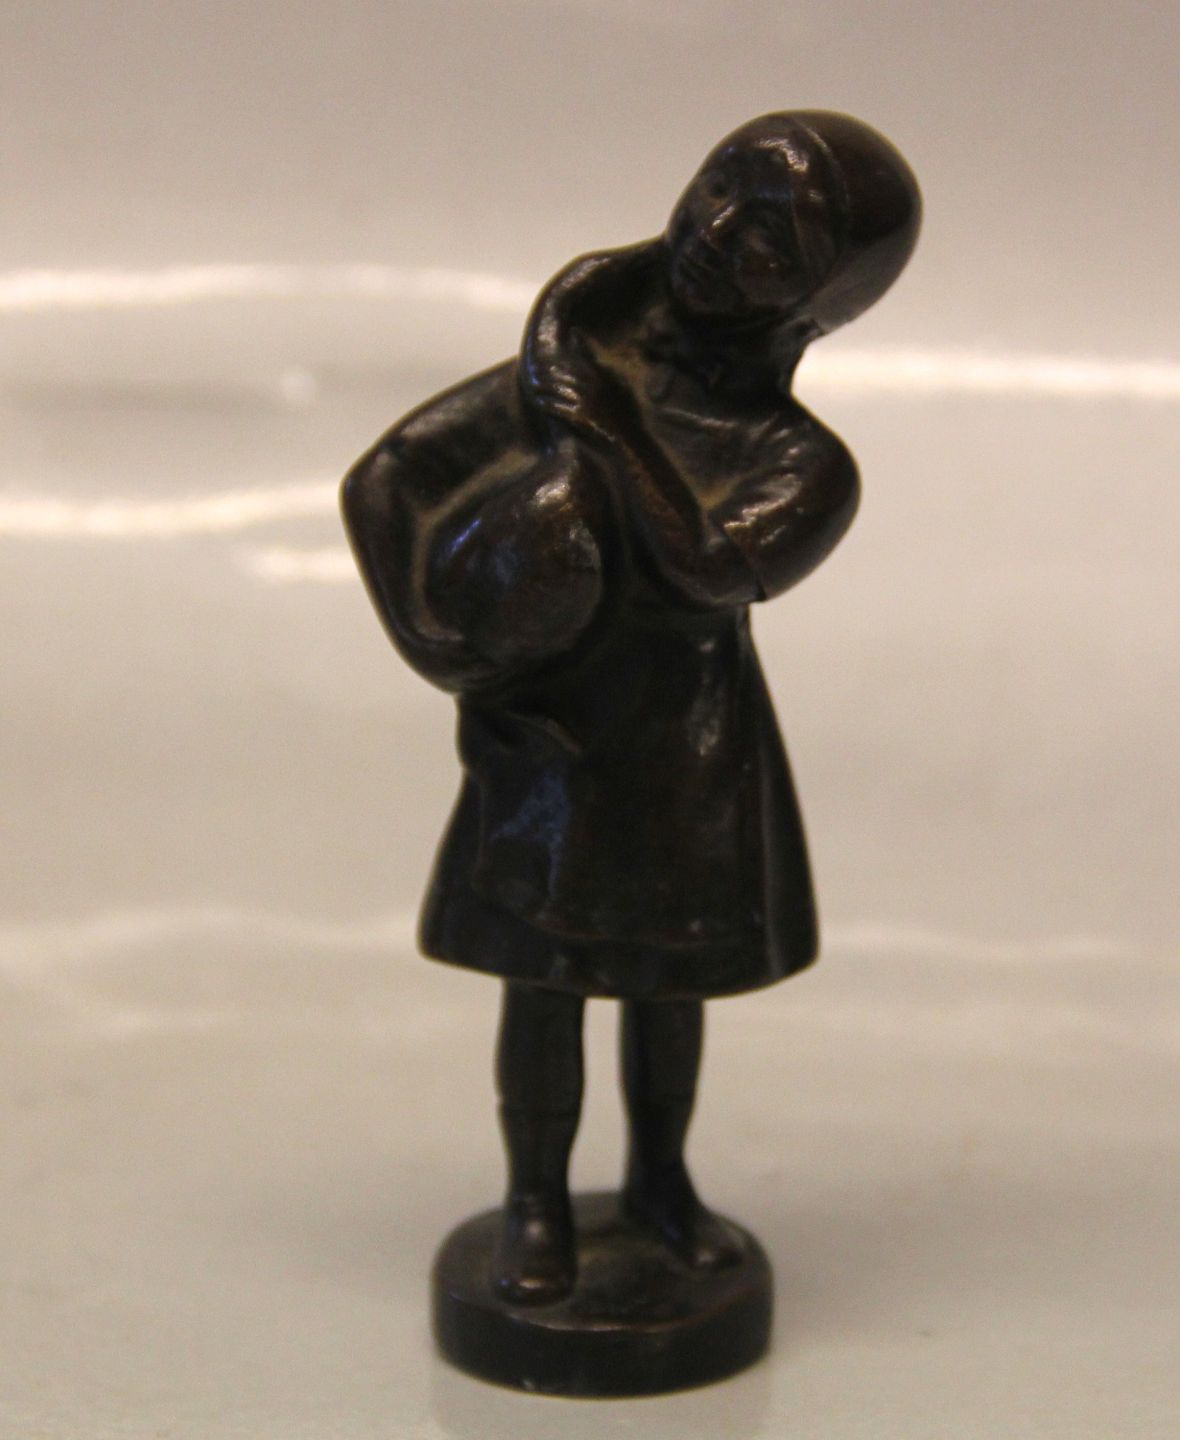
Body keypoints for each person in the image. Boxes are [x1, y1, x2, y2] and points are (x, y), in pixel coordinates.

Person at [342, 111, 920, 1304]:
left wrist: (599, 429)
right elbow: (390, 477)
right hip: (550, 743)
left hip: (684, 757)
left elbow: (703, 568)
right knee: (544, 983)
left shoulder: (798, 463)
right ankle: (536, 1202)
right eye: (720, 187)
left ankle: (660, 1181)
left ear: (818, 306)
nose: (717, 231)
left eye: (771, 243)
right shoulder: (578, 367)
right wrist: (438, 643)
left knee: (667, 986)